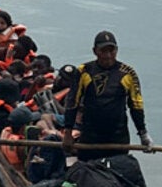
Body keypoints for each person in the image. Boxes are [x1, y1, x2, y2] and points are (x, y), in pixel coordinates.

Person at [62, 30, 152, 161]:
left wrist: (143, 135)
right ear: (95, 51)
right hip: (90, 138)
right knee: (88, 175)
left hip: (117, 138)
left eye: (112, 51)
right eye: (103, 51)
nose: (108, 55)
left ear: (117, 50)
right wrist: (68, 133)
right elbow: (72, 102)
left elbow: (136, 106)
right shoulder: (84, 71)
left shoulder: (128, 73)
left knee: (117, 176)